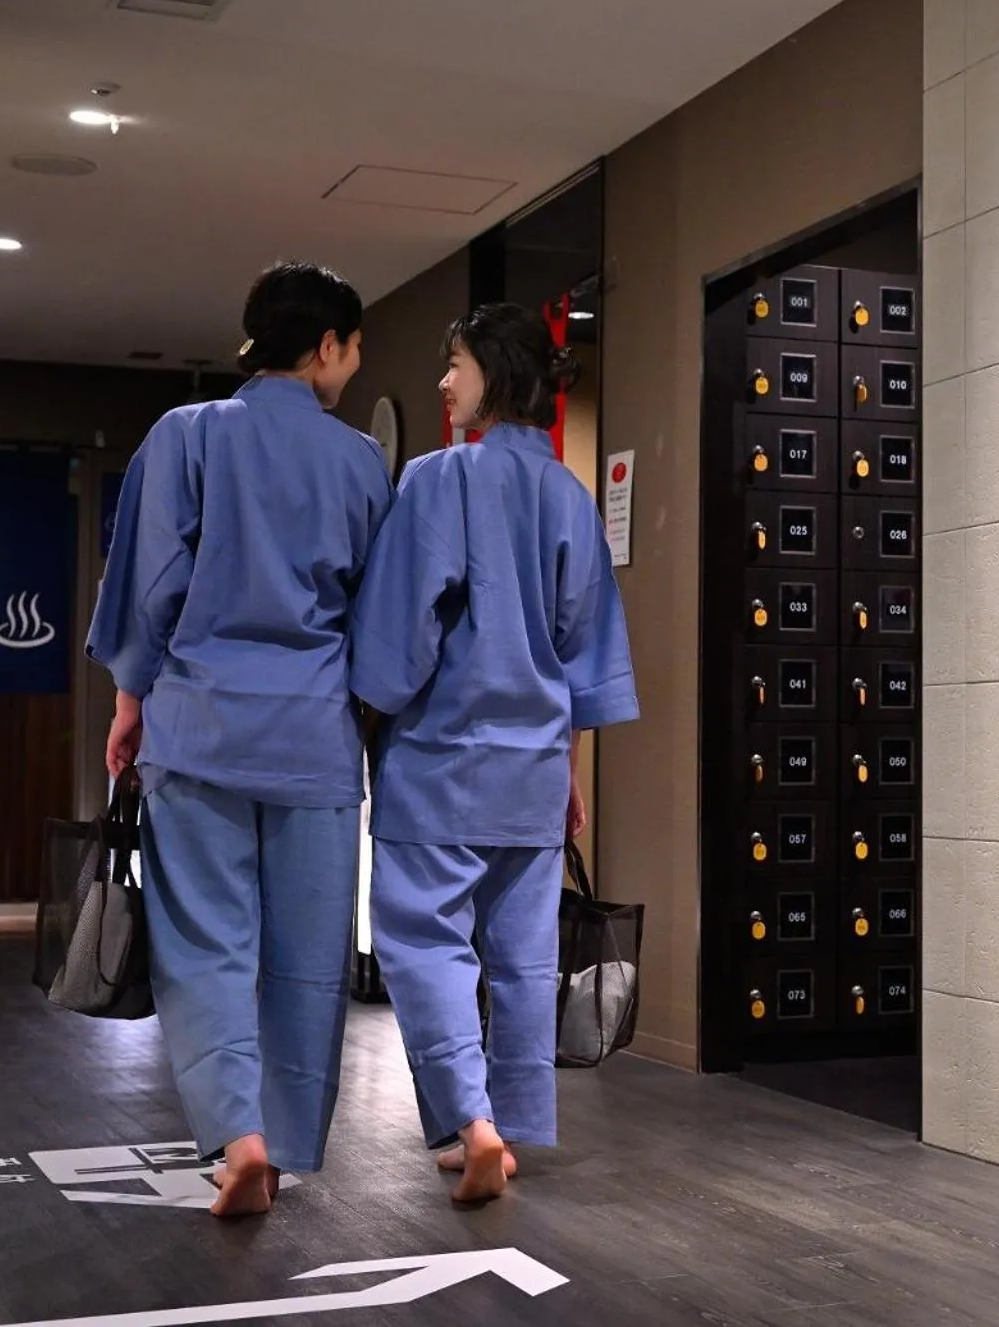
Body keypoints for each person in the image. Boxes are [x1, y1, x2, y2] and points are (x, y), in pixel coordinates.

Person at [86, 261, 393, 1217]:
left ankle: (238, 1136)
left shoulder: (186, 435)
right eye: (354, 346)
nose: (353, 362)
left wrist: (130, 701)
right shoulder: (360, 462)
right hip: (314, 740)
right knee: (308, 955)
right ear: (327, 346)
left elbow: (148, 586)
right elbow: (379, 618)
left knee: (205, 944)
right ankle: (288, 1140)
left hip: (200, 728)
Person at [349, 302, 637, 1204]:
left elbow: (399, 635)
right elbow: (585, 653)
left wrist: (367, 705)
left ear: (497, 374)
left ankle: (471, 1122)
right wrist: (569, 772)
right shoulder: (570, 495)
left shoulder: (440, 479)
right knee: (522, 957)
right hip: (534, 766)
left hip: (441, 758)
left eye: (458, 364)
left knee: (422, 940)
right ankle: (508, 1126)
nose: (444, 382)